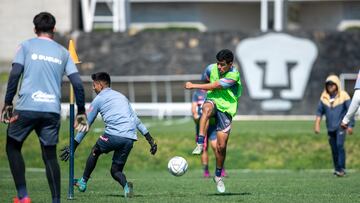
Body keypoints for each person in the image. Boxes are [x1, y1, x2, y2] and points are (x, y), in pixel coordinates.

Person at [0, 12, 88, 203]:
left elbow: (15, 74)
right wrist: (81, 111)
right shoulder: (63, 52)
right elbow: (78, 84)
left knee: (12, 146)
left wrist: (8, 103)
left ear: (35, 29)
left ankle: (23, 196)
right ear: (54, 29)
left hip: (26, 108)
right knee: (49, 155)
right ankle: (56, 200)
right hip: (51, 111)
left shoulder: (26, 45)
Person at [60, 72, 157, 198]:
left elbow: (85, 124)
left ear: (100, 85)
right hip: (130, 138)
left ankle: (83, 182)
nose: (93, 88)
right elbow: (136, 120)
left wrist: (73, 146)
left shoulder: (98, 99)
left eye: (94, 85)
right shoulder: (122, 97)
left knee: (95, 150)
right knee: (115, 171)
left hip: (114, 135)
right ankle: (126, 187)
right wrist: (150, 140)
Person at [185, 49, 242, 193]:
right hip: (213, 100)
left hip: (227, 108)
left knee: (221, 147)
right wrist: (200, 92)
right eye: (218, 64)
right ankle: (200, 142)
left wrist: (193, 86)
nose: (219, 67)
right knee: (207, 109)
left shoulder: (234, 75)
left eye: (222, 65)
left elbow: (215, 85)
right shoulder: (210, 68)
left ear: (230, 64)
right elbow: (206, 79)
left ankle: (217, 176)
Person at [314, 74, 354, 177]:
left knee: (340, 146)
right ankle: (337, 168)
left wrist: (350, 125)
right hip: (330, 127)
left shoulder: (344, 95)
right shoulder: (324, 97)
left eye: (332, 84)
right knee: (334, 148)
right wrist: (317, 125)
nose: (330, 86)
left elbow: (350, 111)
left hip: (341, 126)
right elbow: (319, 112)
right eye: (328, 85)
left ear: (337, 85)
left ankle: (341, 168)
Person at [191, 88, 227, 178]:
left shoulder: (215, 91)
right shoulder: (197, 93)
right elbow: (193, 109)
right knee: (203, 148)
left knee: (216, 146)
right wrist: (195, 117)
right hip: (201, 124)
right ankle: (206, 170)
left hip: (212, 124)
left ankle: (221, 168)